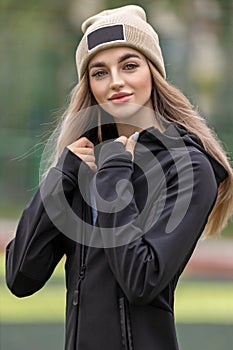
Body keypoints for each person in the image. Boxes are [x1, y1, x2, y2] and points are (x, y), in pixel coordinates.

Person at [5, 5, 233, 350]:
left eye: (129, 65)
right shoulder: (82, 164)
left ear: (153, 73)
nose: (116, 82)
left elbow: (141, 280)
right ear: (90, 86)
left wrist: (113, 173)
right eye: (99, 72)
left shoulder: (188, 167)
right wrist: (59, 178)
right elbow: (21, 276)